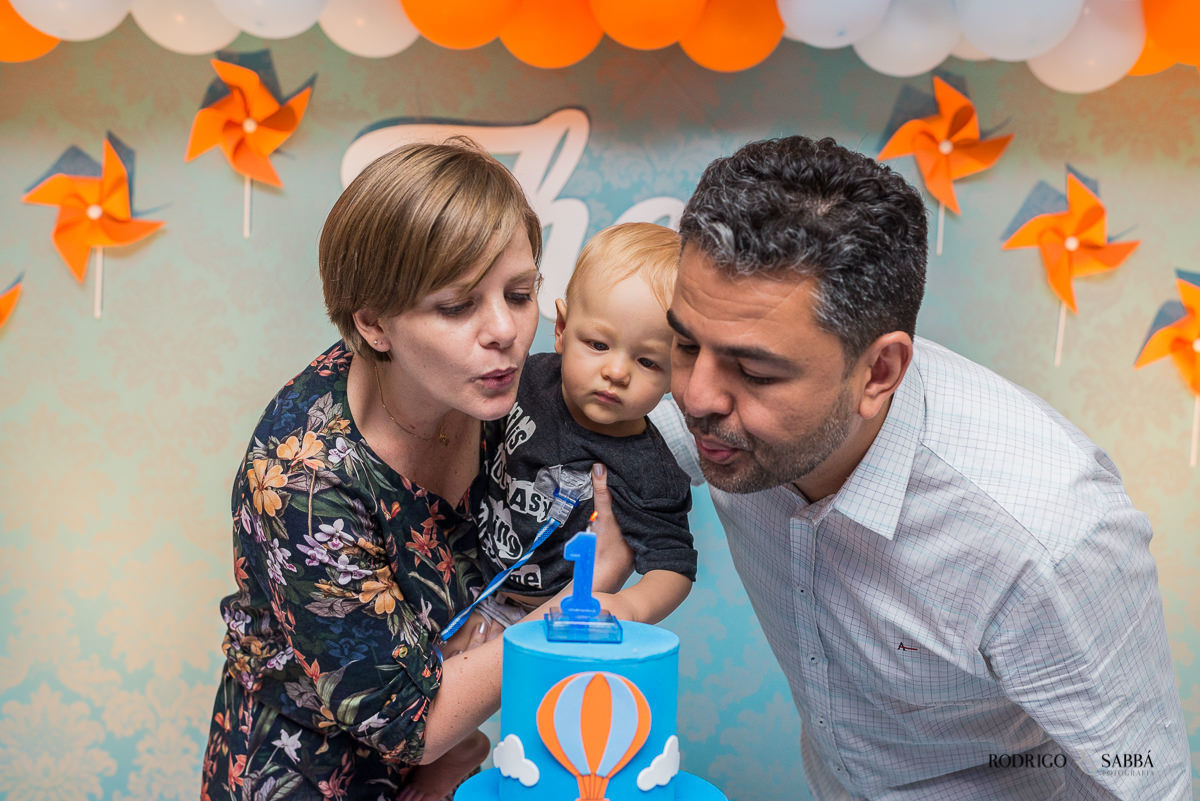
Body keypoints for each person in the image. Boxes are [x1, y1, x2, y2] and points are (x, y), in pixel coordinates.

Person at [648, 135, 1190, 800]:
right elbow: (594, 453)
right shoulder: (726, 421)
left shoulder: (1049, 540)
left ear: (878, 371)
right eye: (683, 344)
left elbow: (1145, 784)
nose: (696, 396)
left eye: (754, 371)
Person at [201, 139, 632, 801]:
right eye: (457, 306)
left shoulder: (501, 390)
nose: (505, 331)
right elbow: (415, 723)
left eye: (520, 294)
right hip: (307, 770)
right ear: (375, 324)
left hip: (453, 756)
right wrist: (585, 596)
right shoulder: (303, 483)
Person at [474, 222, 695, 628]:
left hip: (553, 614)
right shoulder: (529, 379)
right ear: (561, 329)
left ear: (675, 374)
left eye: (647, 361)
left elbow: (673, 566)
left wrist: (631, 606)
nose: (617, 372)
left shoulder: (651, 472)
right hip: (471, 578)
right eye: (598, 345)